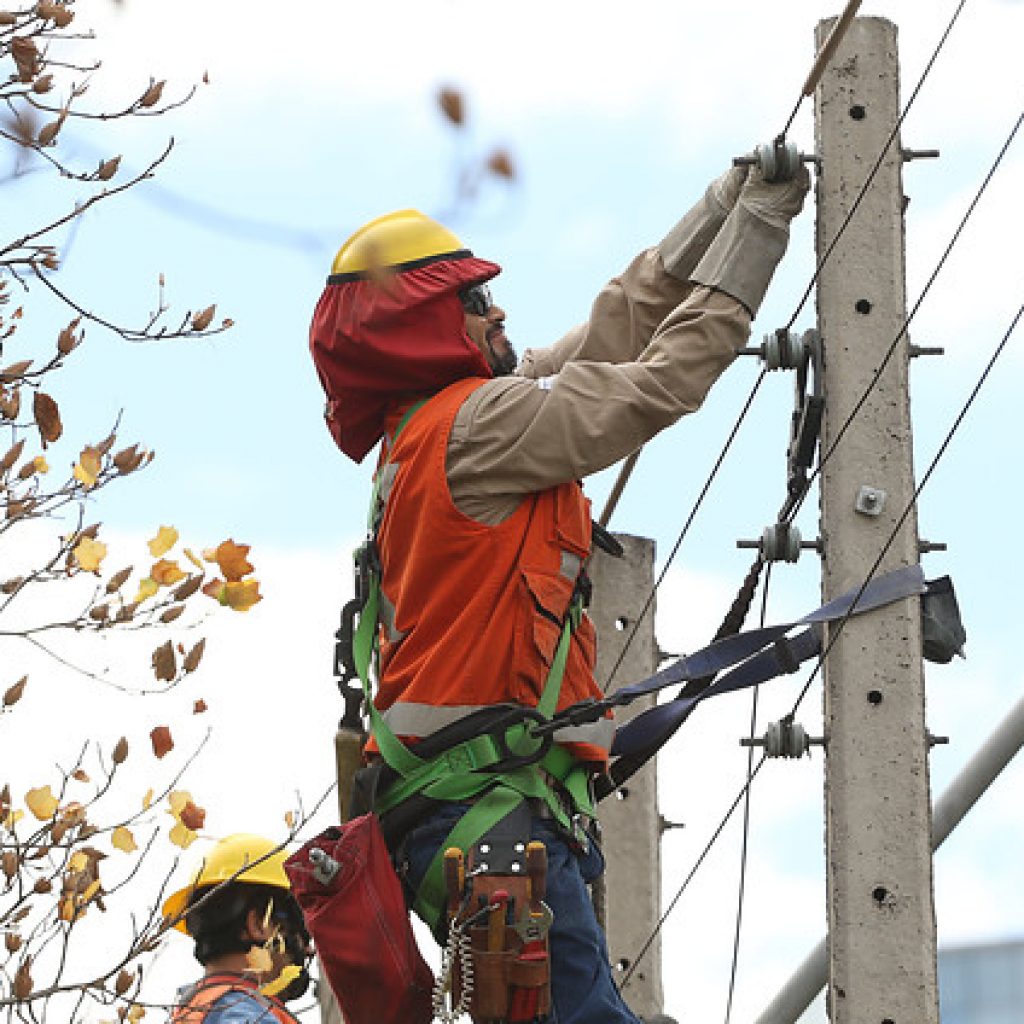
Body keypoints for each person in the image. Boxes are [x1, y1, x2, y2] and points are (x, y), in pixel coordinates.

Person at [309, 160, 809, 1024]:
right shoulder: (480, 426)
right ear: (430, 325)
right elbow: (658, 381)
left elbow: (610, 331)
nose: (496, 311)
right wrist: (761, 232)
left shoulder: (428, 435)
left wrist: (721, 211)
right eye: (474, 301)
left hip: (476, 812)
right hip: (490, 812)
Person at [163, 833, 312, 1024]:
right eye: (302, 932)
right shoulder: (245, 1016)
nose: (308, 950)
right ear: (260, 923)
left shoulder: (194, 1011)